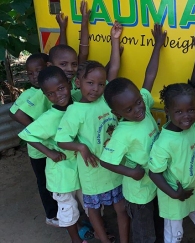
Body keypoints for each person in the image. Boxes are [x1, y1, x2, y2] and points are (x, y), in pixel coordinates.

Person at [55, 22, 128, 243]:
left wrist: (114, 40)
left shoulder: (107, 99)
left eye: (100, 84)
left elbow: (113, 69)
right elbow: (61, 140)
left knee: (121, 210)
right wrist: (82, 147)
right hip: (92, 175)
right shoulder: (75, 110)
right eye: (89, 83)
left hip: (114, 170)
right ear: (78, 83)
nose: (95, 88)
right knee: (94, 211)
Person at [100, 23, 166, 243]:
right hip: (138, 194)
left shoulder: (143, 104)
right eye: (129, 109)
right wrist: (131, 173)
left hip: (154, 184)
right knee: (144, 234)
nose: (138, 110)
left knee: (157, 226)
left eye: (138, 102)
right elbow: (106, 162)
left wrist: (157, 45)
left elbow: (150, 75)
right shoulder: (122, 133)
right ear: (116, 112)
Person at [148, 30, 195, 243]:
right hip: (174, 197)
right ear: (167, 112)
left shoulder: (193, 121)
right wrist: (174, 194)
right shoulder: (164, 142)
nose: (186, 116)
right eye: (179, 112)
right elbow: (154, 173)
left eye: (190, 110)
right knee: (175, 235)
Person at [18, 66, 85, 243]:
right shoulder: (49, 117)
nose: (58, 95)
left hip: (78, 168)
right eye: (51, 94)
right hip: (61, 173)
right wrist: (50, 152)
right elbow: (27, 135)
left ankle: (95, 230)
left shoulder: (78, 101)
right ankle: (75, 240)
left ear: (70, 84)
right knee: (67, 208)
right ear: (46, 96)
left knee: (89, 203)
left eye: (61, 88)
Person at [8, 53, 59, 227]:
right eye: (30, 73)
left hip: (54, 147)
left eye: (39, 70)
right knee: (44, 181)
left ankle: (63, 211)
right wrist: (37, 128)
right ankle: (52, 214)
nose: (35, 76)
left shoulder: (55, 88)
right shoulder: (30, 94)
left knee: (58, 180)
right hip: (38, 151)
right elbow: (13, 112)